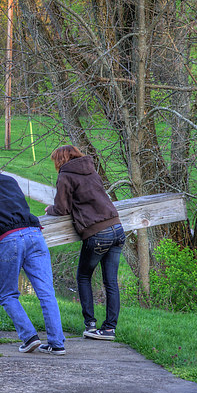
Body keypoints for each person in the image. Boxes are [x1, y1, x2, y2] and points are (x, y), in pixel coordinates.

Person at [0, 152, 66, 355]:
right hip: (35, 233)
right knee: (46, 292)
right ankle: (57, 343)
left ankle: (29, 337)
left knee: (8, 294)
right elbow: (22, 206)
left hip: (8, 239)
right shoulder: (10, 180)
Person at [45, 145, 125, 341]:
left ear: (60, 160)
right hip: (117, 227)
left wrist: (50, 210)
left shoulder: (66, 175)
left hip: (97, 233)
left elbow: (62, 208)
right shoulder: (91, 169)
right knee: (111, 282)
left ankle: (90, 325)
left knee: (83, 276)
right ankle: (109, 329)